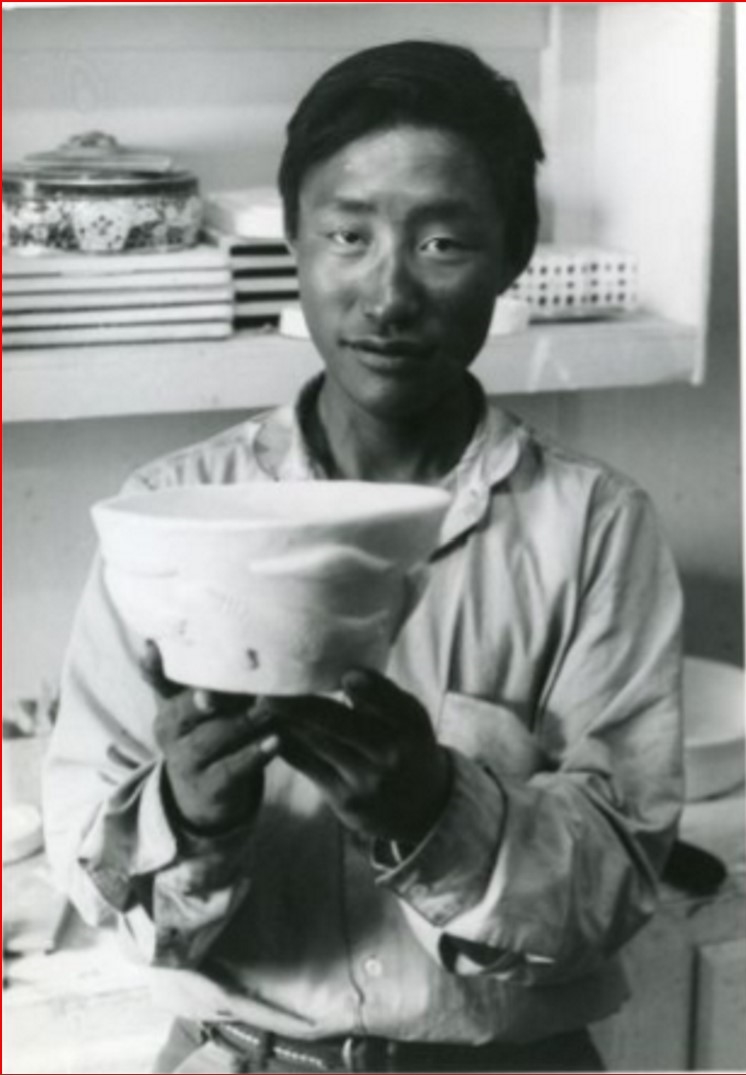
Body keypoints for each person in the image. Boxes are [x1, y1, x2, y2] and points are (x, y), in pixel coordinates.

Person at [43, 40, 683, 1075]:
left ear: (512, 256)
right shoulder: (168, 515)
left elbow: (617, 880)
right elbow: (95, 872)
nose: (386, 295)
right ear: (293, 243)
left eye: (440, 243)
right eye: (346, 234)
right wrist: (188, 813)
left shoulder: (594, 524)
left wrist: (434, 808)